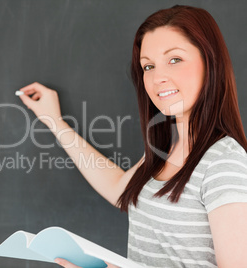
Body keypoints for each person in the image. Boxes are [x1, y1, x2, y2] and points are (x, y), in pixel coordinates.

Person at [18, 5, 247, 268]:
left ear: (210, 63)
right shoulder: (169, 150)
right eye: (148, 66)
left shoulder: (223, 164)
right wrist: (54, 121)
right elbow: (119, 188)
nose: (158, 77)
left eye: (174, 59)